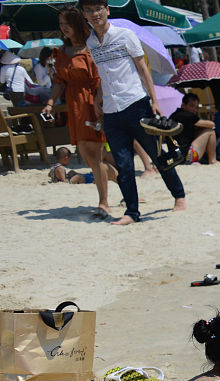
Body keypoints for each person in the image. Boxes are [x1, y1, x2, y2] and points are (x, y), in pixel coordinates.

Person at [80, 0, 185, 225]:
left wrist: (154, 100)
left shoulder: (125, 35)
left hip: (136, 103)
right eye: (89, 10)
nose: (95, 14)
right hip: (111, 110)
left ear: (107, 10)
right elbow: (104, 74)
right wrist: (99, 97)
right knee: (123, 164)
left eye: (98, 9)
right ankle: (131, 212)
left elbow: (142, 68)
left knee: (157, 155)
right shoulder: (91, 42)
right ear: (84, 15)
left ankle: (179, 196)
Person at [41, 7, 111, 219]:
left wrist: (99, 103)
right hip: (74, 106)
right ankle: (125, 181)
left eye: (67, 23)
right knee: (89, 158)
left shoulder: (92, 47)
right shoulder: (61, 52)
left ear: (77, 24)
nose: (63, 28)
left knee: (96, 155)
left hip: (92, 103)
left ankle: (103, 202)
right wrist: (50, 103)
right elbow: (59, 81)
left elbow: (100, 79)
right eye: (61, 24)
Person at [169, 92, 216, 165]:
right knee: (210, 131)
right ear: (183, 105)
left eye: (196, 107)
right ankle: (213, 160)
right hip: (187, 156)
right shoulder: (187, 115)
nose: (195, 109)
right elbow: (211, 124)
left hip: (175, 155)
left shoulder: (175, 115)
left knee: (200, 130)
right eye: (192, 106)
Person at [49, 145, 116, 184]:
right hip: (69, 182)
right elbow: (64, 181)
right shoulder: (60, 168)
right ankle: (94, 178)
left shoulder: (54, 166)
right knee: (79, 177)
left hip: (64, 179)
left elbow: (49, 174)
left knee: (72, 172)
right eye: (69, 159)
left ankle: (88, 176)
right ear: (66, 158)